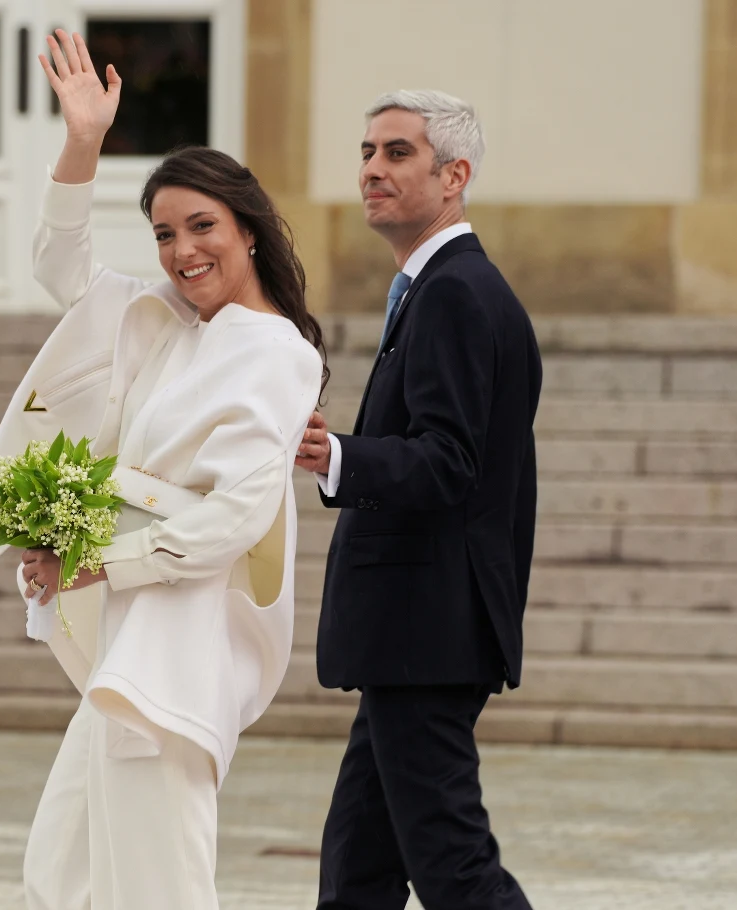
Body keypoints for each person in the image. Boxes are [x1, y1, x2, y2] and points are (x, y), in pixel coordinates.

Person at [0, 30, 327, 910]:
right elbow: (61, 266)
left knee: (157, 888)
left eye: (203, 227)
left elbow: (232, 515)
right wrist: (82, 144)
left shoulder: (272, 351)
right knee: (63, 875)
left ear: (250, 228)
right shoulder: (167, 321)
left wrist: (93, 560)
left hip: (182, 655)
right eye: (164, 233)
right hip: (134, 650)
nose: (182, 250)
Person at [295, 90, 541, 909]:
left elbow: (449, 463)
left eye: (397, 153)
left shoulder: (457, 294)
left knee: (451, 864)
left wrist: (338, 455)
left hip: (427, 629)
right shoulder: (439, 288)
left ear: (455, 174)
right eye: (366, 152)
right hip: (414, 634)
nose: (372, 170)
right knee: (359, 866)